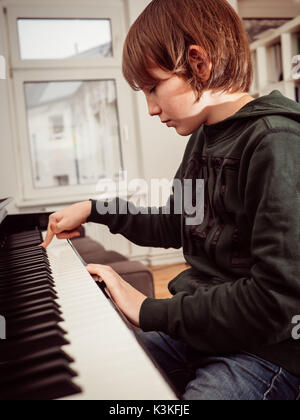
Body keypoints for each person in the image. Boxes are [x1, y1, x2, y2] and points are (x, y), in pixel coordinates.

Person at [41, 0, 300, 400]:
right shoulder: (204, 135)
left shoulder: (274, 142)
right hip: (201, 333)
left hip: (264, 351)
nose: (150, 108)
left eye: (153, 87)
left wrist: (148, 311)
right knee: (104, 378)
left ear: (199, 64)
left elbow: (275, 301)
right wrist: (96, 209)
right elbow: (177, 222)